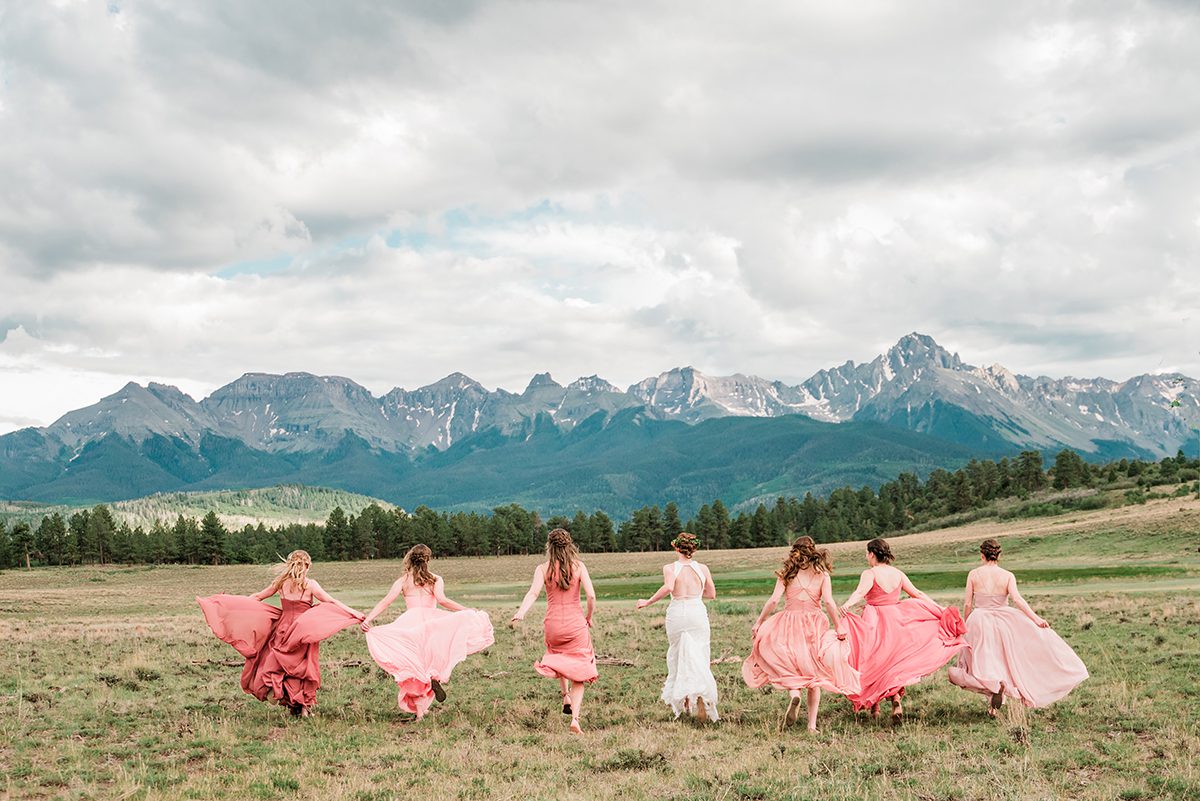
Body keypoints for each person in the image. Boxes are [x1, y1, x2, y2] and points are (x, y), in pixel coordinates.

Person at [196, 549, 364, 716]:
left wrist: (238, 604)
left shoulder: (281, 582)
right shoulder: (310, 584)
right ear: (307, 565)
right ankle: (302, 707)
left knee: (282, 666)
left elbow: (258, 596)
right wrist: (354, 613)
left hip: (283, 628)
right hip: (303, 629)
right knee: (303, 667)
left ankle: (288, 701)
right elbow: (331, 601)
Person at [948, 538, 1088, 715]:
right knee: (1001, 659)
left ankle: (993, 693)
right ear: (999, 555)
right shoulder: (1007, 575)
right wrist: (1036, 619)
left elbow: (968, 603)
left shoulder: (974, 574)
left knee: (979, 662)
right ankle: (994, 700)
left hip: (979, 619)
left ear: (981, 555)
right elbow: (1018, 600)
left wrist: (966, 624)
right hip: (1003, 620)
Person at [360, 544, 495, 719]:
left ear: (409, 559)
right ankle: (432, 681)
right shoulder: (435, 579)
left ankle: (420, 712)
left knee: (415, 666)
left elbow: (386, 601)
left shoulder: (403, 580)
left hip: (411, 625)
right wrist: (466, 610)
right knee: (432, 660)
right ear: (428, 560)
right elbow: (443, 600)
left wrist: (369, 619)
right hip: (433, 625)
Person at [841, 538, 967, 720]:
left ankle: (875, 706)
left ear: (872, 554)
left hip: (875, 619)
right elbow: (918, 593)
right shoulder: (897, 573)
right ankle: (896, 698)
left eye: (867, 554)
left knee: (873, 659)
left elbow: (860, 593)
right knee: (894, 661)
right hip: (897, 619)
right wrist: (940, 610)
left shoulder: (870, 573)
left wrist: (847, 604)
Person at [742, 536, 859, 731]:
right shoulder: (822, 575)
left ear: (794, 551)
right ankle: (811, 726)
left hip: (789, 621)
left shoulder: (787, 573)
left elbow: (773, 601)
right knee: (813, 672)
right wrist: (838, 626)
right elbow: (829, 602)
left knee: (789, 662)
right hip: (813, 623)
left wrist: (759, 621)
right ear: (813, 550)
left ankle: (794, 692)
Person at [511, 528, 597, 734]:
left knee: (559, 656)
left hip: (553, 625)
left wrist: (521, 612)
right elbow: (591, 596)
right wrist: (589, 617)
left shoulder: (543, 568)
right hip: (575, 623)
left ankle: (565, 696)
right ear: (570, 545)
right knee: (579, 670)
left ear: (549, 547)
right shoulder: (579, 566)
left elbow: (533, 593)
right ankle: (575, 718)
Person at [636, 532, 720, 722]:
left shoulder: (670, 568)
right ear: (694, 549)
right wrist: (696, 594)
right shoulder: (703, 569)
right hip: (697, 611)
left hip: (677, 614)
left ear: (676, 548)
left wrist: (648, 601)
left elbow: (668, 587)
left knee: (678, 655)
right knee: (699, 655)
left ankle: (686, 703)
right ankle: (700, 697)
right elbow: (712, 594)